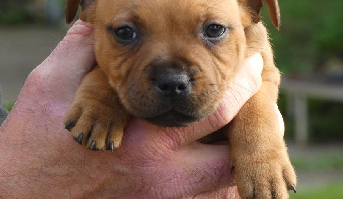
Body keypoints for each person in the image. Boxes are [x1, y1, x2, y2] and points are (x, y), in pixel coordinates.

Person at [0, 20, 284, 198]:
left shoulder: (245, 35)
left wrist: (261, 149)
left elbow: (262, 82)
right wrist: (101, 94)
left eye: (212, 30)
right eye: (127, 32)